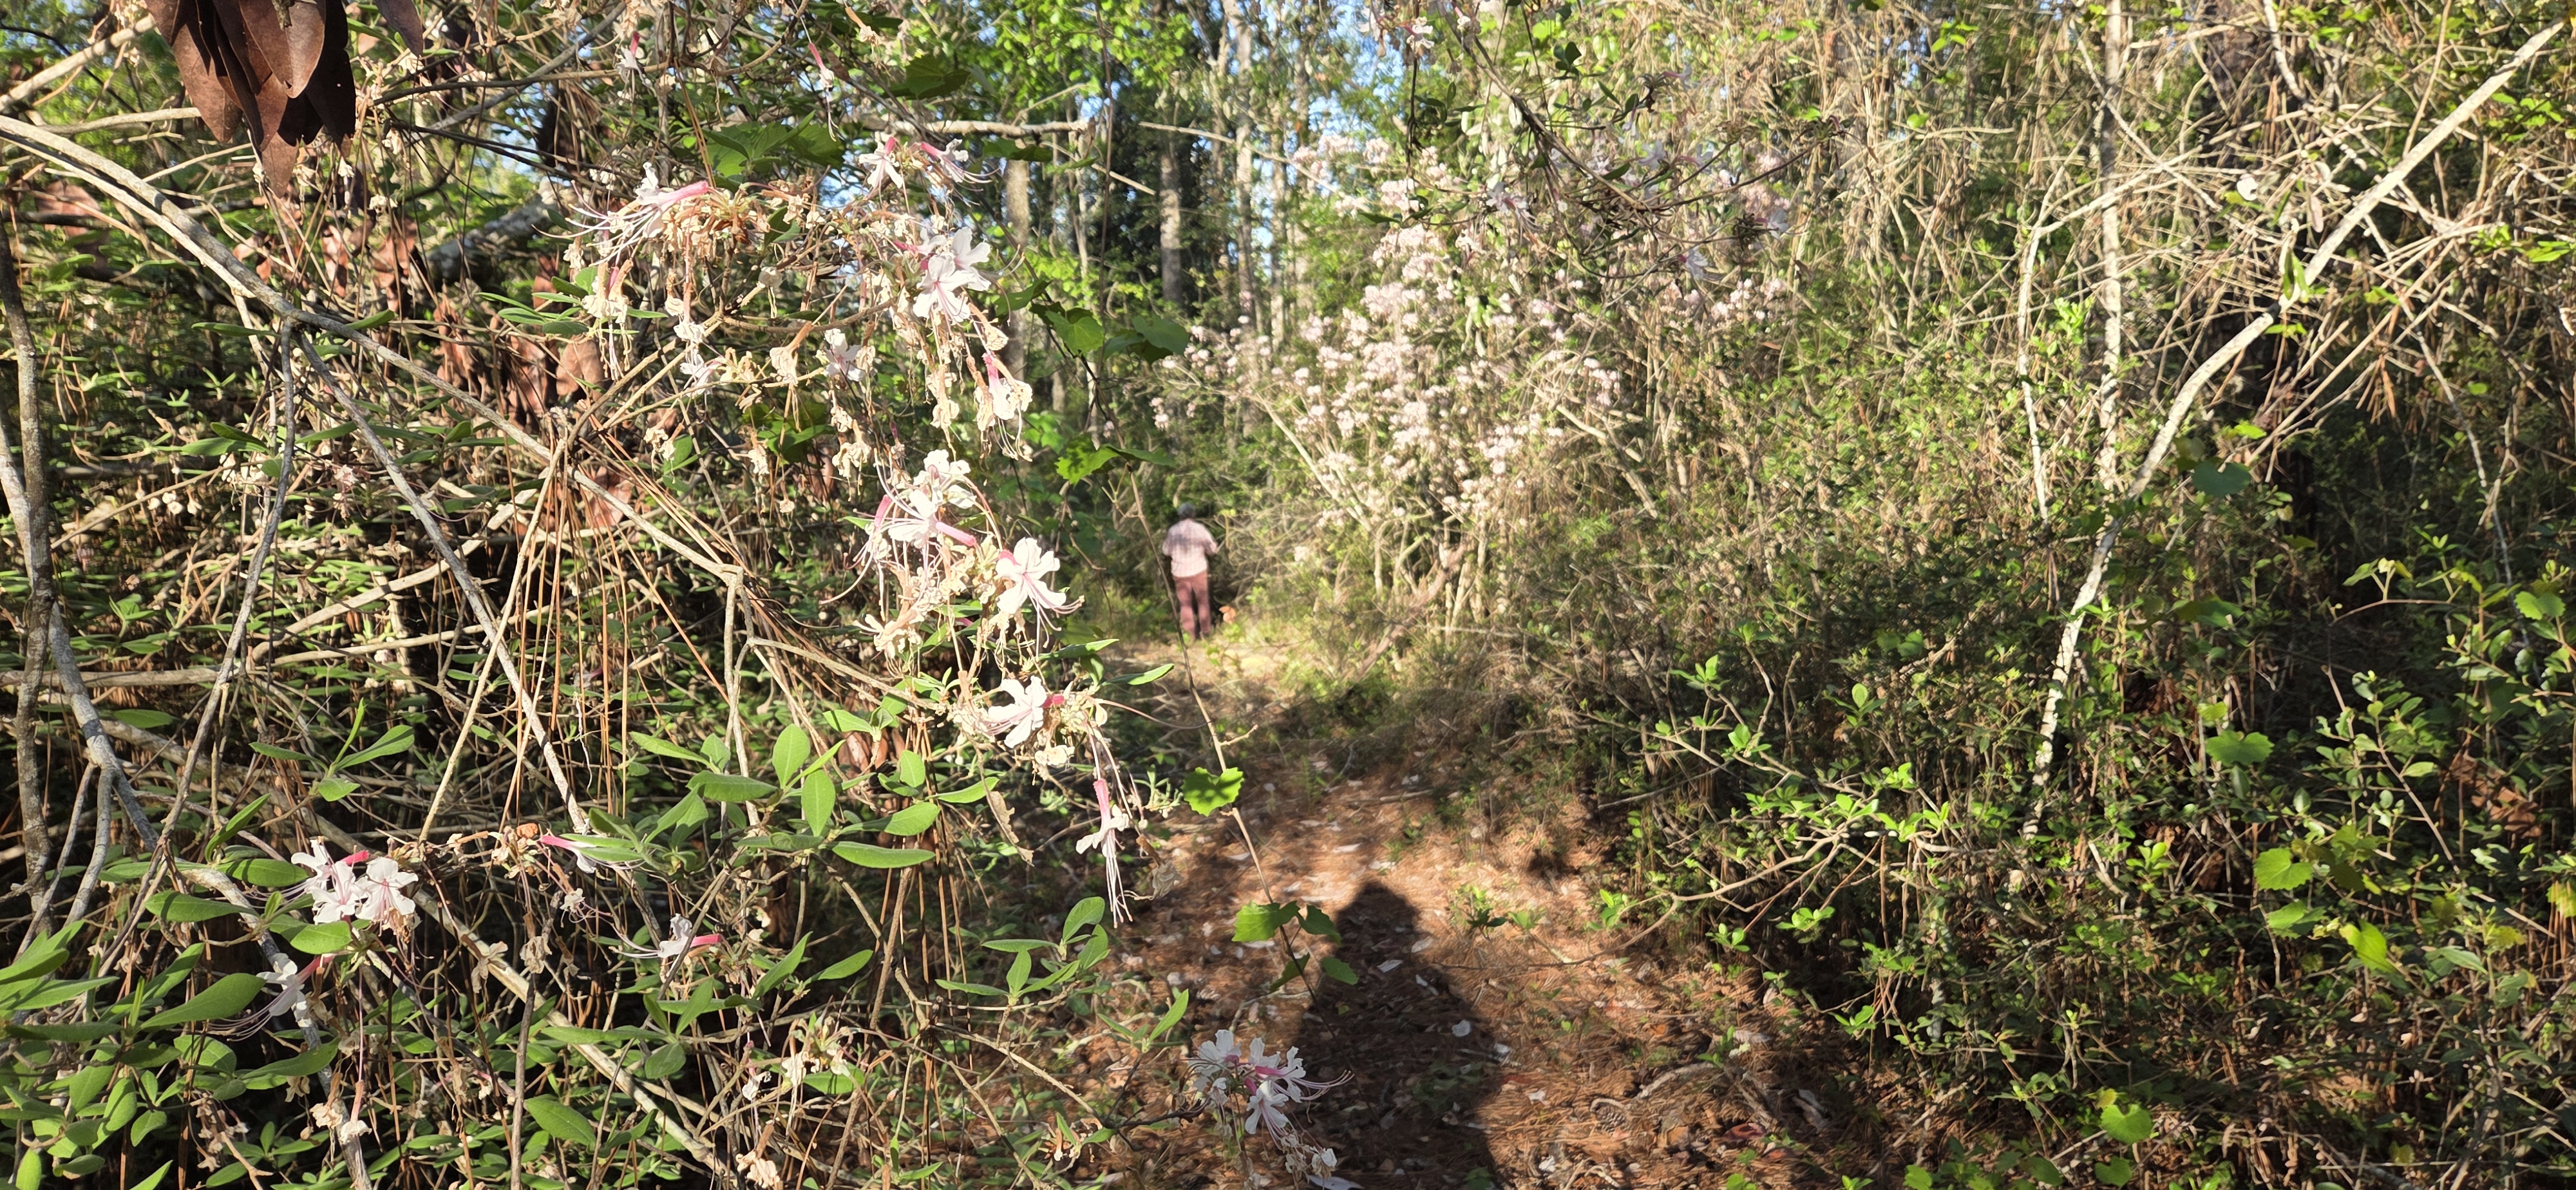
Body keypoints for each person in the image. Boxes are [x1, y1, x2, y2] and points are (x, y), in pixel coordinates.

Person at [1163, 504, 1219, 639]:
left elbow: (1166, 551)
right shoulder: (1200, 529)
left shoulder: (1173, 530)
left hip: (1179, 572)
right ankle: (1206, 632)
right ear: (1193, 514)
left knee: (1185, 604)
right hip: (1198, 569)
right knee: (1203, 602)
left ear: (1180, 515)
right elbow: (1212, 549)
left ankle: (1190, 636)